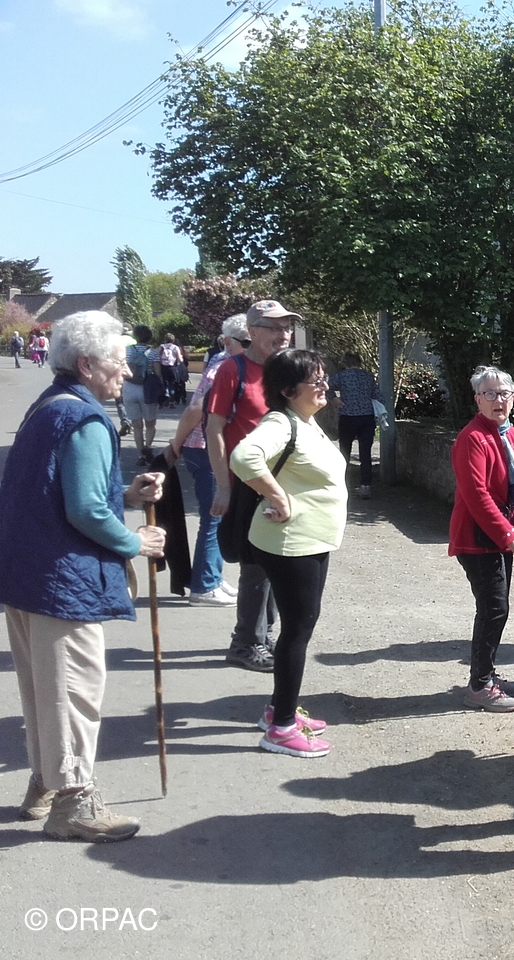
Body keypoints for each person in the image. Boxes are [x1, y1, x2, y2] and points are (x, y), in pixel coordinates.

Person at [0, 310, 165, 842]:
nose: (127, 371)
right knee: (72, 691)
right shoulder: (85, 419)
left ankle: (44, 783)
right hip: (60, 579)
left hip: (26, 571)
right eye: (119, 360)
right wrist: (135, 541)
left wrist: (126, 495)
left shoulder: (50, 405)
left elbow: (59, 491)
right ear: (87, 364)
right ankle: (73, 802)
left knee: (42, 690)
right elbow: (85, 510)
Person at [231, 348, 348, 758]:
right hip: (291, 545)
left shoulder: (305, 422)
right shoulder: (280, 422)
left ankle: (277, 710)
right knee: (297, 631)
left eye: (324, 377)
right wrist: (278, 496)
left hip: (310, 542)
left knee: (300, 627)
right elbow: (243, 456)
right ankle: (280, 728)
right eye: (315, 381)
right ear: (287, 390)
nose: (324, 386)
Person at [206, 300, 298, 671]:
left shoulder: (286, 368)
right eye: (274, 327)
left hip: (282, 481)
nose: (283, 334)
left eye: (287, 327)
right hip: (248, 483)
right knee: (256, 565)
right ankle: (246, 642)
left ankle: (264, 635)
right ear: (252, 331)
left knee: (277, 562)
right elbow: (213, 428)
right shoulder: (233, 369)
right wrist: (223, 485)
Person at [449, 365, 514, 712]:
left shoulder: (513, 435)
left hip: (501, 533)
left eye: (504, 394)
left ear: (513, 398)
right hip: (476, 537)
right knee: (494, 608)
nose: (498, 400)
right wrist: (508, 534)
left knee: (496, 608)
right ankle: (480, 686)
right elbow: (476, 495)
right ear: (478, 399)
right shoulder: (472, 437)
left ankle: (484, 677)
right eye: (489, 394)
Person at [163, 315, 250, 606]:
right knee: (214, 516)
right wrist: (175, 444)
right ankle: (203, 586)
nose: (249, 346)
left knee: (218, 516)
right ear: (227, 341)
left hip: (209, 447)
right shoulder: (223, 366)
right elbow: (195, 410)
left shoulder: (229, 363)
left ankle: (211, 576)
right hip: (204, 447)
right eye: (244, 341)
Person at [328, 351, 385, 500]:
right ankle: (365, 485)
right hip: (366, 417)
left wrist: (334, 399)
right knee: (365, 453)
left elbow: (327, 387)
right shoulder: (368, 376)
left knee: (344, 452)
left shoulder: (341, 376)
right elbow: (378, 396)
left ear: (344, 362)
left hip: (347, 417)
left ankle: (341, 483)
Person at [122, 324, 160, 465]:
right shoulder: (153, 353)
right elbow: (158, 373)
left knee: (136, 425)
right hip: (147, 389)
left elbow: (122, 369)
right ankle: (147, 448)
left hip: (129, 387)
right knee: (150, 423)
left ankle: (140, 455)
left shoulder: (127, 351)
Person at [158, 333, 185, 406]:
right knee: (171, 384)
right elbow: (180, 359)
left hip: (163, 367)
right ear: (173, 340)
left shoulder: (162, 346)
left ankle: (164, 397)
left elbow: (158, 357)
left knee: (164, 383)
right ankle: (172, 400)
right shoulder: (175, 347)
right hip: (172, 368)